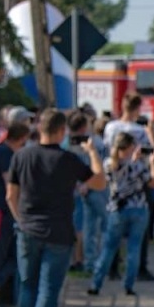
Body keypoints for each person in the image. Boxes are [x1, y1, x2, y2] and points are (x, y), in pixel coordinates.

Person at [7, 108, 107, 307]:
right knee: (49, 290)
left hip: (28, 230)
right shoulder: (68, 160)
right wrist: (93, 152)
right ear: (62, 131)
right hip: (58, 233)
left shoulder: (21, 156)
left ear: (39, 129)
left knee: (28, 287)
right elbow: (99, 182)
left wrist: (21, 221)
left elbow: (11, 196)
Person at [89, 132, 154, 298]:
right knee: (134, 248)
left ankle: (96, 284)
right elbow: (153, 183)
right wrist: (153, 163)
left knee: (109, 248)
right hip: (139, 209)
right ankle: (129, 285)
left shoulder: (109, 164)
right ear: (130, 147)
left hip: (117, 210)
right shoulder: (138, 165)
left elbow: (104, 177)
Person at [103, 94, 154, 283]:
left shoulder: (111, 127)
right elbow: (152, 152)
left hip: (115, 178)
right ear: (137, 109)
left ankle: (112, 268)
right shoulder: (139, 131)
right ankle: (139, 268)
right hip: (137, 178)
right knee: (140, 228)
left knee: (115, 226)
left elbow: (106, 148)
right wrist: (152, 134)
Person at [0, 120, 29, 307]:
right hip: (1, 210)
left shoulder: (3, 152)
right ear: (21, 139)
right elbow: (10, 183)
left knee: (13, 255)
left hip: (3, 210)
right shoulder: (5, 154)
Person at [66, 110, 108, 275]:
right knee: (101, 225)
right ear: (85, 127)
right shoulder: (95, 143)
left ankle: (85, 261)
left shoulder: (67, 143)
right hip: (95, 188)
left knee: (84, 226)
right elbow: (100, 167)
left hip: (76, 189)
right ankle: (101, 261)